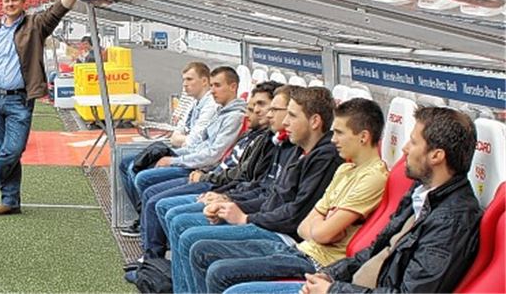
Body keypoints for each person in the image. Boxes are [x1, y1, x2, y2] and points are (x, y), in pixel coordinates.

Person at [227, 107, 482, 294]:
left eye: (413, 142)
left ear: (436, 155)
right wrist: (330, 275)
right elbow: (374, 250)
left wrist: (333, 290)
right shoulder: (421, 194)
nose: (403, 149)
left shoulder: (452, 220)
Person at [189, 98, 389, 293]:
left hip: (318, 264)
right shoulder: (345, 169)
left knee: (219, 271)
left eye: (339, 133)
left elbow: (319, 232)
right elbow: (305, 227)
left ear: (363, 136)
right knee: (201, 249)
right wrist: (323, 226)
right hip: (301, 248)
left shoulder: (374, 177)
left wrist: (322, 226)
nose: (333, 139)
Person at [168, 86, 343, 293]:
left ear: (314, 121)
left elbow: (294, 216)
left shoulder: (324, 157)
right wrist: (230, 202)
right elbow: (269, 193)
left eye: (291, 115)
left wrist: (245, 217)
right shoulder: (300, 149)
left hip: (285, 238)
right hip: (268, 221)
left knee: (193, 240)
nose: (284, 121)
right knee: (179, 223)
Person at [0, 0, 86, 216]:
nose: (10, 4)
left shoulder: (34, 25)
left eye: (15, 0)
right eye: (7, 0)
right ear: (2, 4)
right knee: (3, 149)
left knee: (13, 150)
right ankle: (11, 201)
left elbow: (56, 11)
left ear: (24, 3)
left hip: (19, 99)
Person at [118, 65, 233, 235]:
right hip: (190, 156)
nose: (185, 84)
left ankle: (147, 225)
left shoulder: (218, 109)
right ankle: (145, 220)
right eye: (184, 80)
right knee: (127, 163)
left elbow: (200, 146)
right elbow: (180, 134)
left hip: (198, 164)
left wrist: (174, 158)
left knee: (141, 175)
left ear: (204, 81)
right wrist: (178, 145)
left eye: (189, 79)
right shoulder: (198, 103)